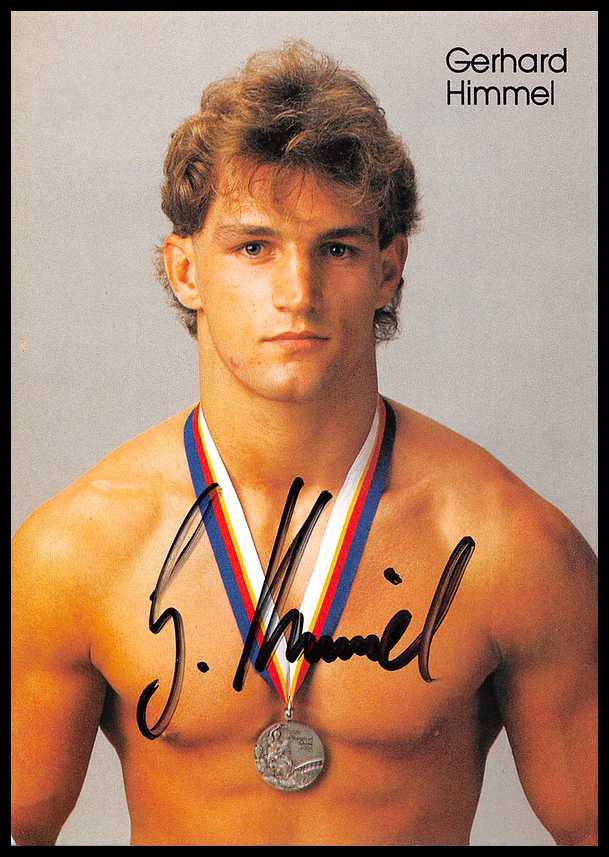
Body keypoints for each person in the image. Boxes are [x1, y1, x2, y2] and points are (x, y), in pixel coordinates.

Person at [11, 40, 597, 846]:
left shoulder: (511, 547)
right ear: (186, 271)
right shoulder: (74, 552)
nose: (297, 292)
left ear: (387, 270)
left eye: (337, 248)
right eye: (254, 247)